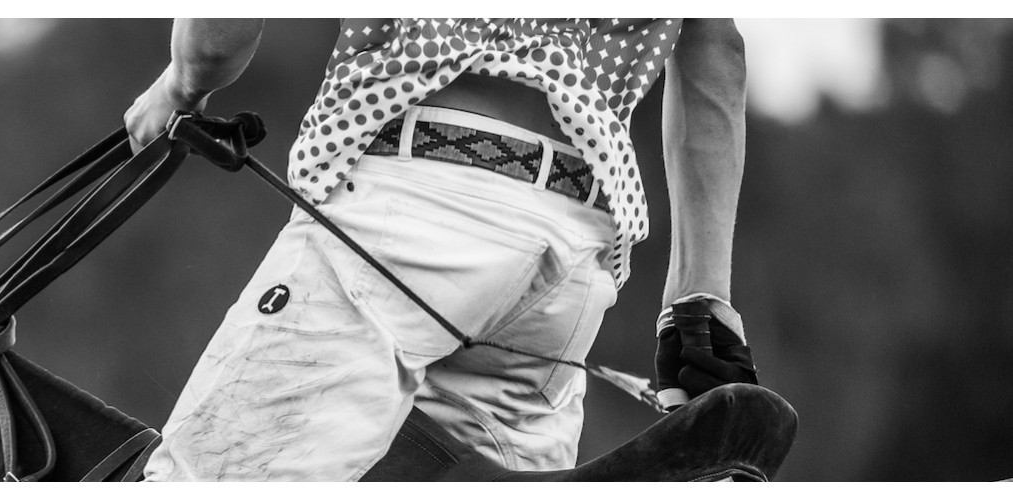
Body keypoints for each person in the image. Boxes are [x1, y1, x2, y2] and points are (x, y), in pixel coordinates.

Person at [125, 18, 758, 481]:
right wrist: (699, 302)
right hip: (570, 251)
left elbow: (216, 41)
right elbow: (714, 48)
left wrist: (181, 85)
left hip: (410, 206)